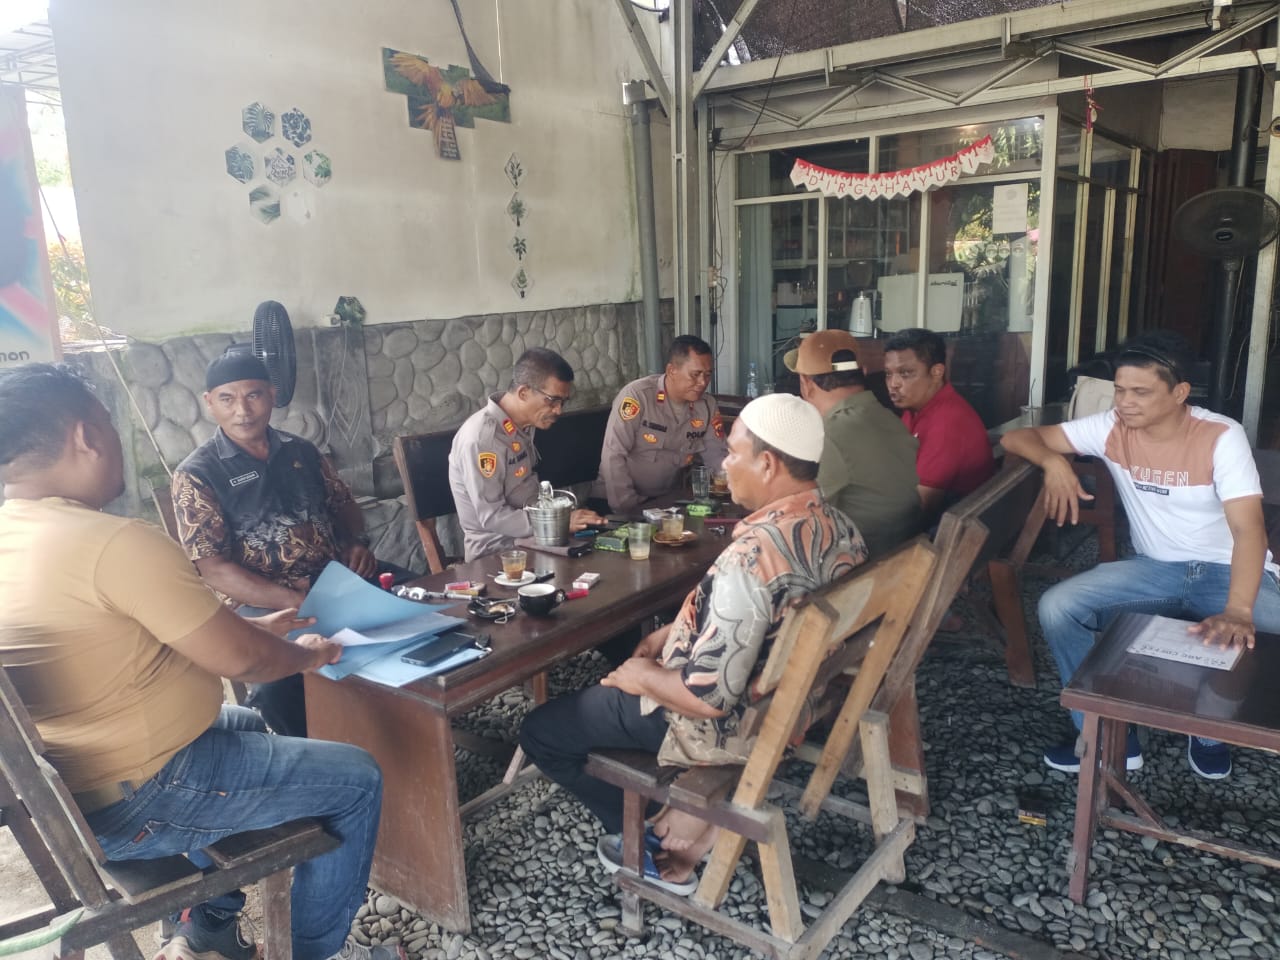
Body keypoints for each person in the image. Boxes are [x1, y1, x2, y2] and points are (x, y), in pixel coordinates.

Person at [0, 363, 397, 960]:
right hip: (141, 792)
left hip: (78, 778)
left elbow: (140, 634)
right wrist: (304, 654)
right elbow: (245, 662)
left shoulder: (17, 531)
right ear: (86, 436)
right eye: (109, 423)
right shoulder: (113, 541)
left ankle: (211, 923)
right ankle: (310, 953)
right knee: (357, 778)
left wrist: (254, 628)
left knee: (247, 724)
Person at [519, 394, 865, 894]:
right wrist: (674, 630)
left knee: (541, 731)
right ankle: (677, 819)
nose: (724, 464)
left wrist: (643, 678)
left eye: (734, 453)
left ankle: (652, 833)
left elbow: (707, 699)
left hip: (723, 725)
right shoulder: (839, 526)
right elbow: (763, 615)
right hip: (797, 700)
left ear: (768, 464)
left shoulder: (752, 557)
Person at [1002, 333, 1280, 780]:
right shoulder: (1110, 426)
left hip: (1224, 569)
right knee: (1058, 606)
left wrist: (1238, 609)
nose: (1125, 403)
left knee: (1263, 631)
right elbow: (1018, 437)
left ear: (1180, 393)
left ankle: (1211, 727)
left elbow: (1249, 529)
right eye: (1119, 390)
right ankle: (1102, 736)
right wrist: (1054, 463)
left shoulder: (1220, 436)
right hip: (1155, 569)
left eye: (1140, 392)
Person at [171, 350, 402, 737]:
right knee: (277, 684)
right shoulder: (198, 474)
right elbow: (213, 568)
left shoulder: (301, 451)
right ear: (209, 403)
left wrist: (355, 542)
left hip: (334, 579)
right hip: (261, 602)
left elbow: (343, 504)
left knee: (415, 602)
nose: (243, 411)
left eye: (253, 395)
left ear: (272, 395)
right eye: (227, 399)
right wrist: (288, 598)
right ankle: (316, 748)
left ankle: (406, 720)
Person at [448, 347, 603, 561]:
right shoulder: (483, 439)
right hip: (497, 553)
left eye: (563, 402)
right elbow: (492, 516)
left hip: (535, 536)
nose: (559, 410)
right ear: (523, 393)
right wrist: (557, 522)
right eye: (552, 400)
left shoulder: (523, 425)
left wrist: (559, 518)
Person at [786, 329, 922, 556]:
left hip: (865, 565)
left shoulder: (828, 434)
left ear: (806, 384)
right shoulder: (888, 418)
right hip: (903, 553)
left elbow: (799, 518)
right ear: (863, 372)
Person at [592, 335, 727, 513]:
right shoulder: (637, 396)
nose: (703, 382)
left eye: (708, 374)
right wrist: (628, 508)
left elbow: (717, 455)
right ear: (671, 370)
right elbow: (613, 454)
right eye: (695, 374)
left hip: (665, 503)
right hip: (616, 502)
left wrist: (737, 487)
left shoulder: (707, 405)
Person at [883, 328, 995, 520]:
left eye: (905, 373)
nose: (893, 383)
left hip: (943, 530)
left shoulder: (947, 422)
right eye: (888, 374)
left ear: (937, 372)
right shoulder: (916, 408)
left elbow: (920, 506)